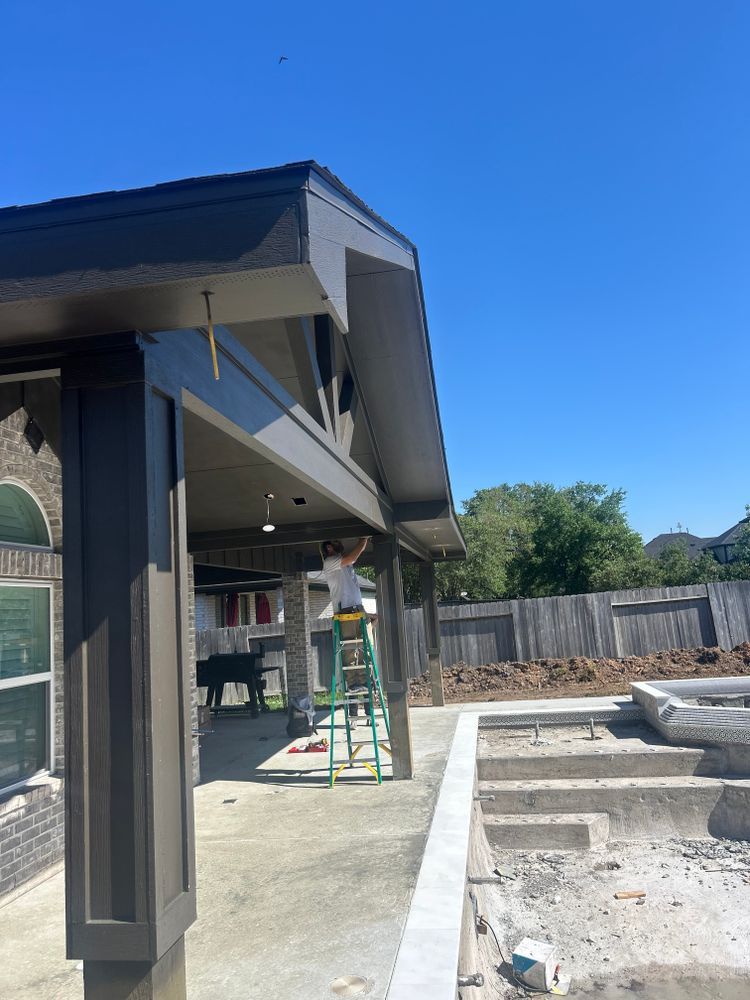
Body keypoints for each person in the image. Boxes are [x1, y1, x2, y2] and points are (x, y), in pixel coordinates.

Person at [320, 537, 373, 720]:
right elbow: (351, 558)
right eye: (335, 542)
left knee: (363, 652)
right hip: (345, 613)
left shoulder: (345, 565)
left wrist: (367, 614)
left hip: (357, 611)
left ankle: (366, 700)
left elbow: (353, 589)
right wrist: (363, 541)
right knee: (351, 652)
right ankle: (353, 689)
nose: (339, 543)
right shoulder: (330, 562)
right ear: (329, 548)